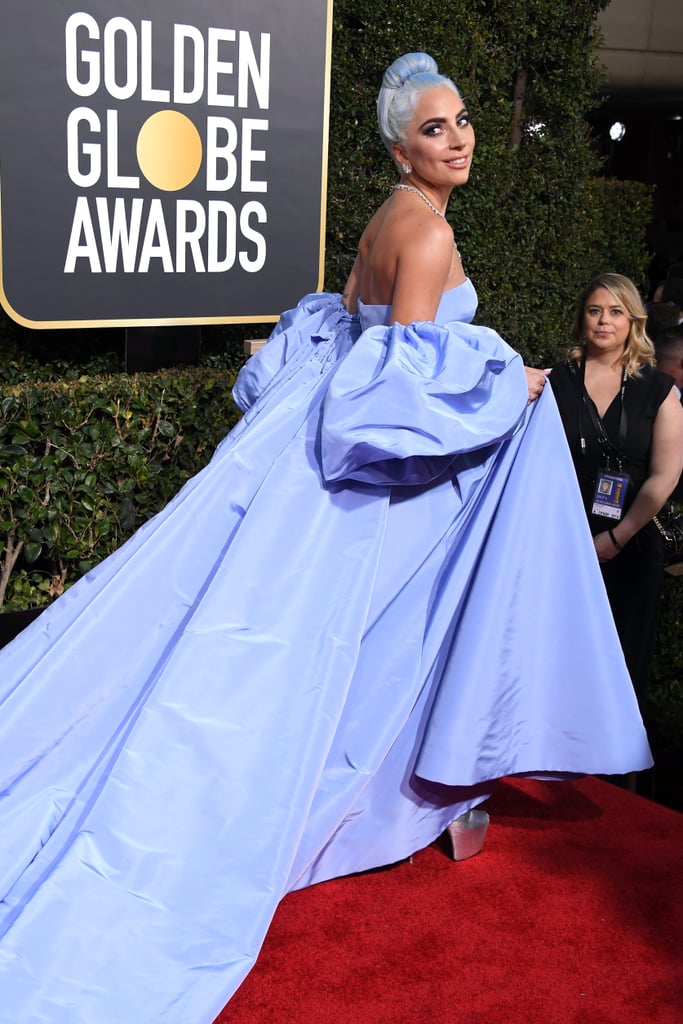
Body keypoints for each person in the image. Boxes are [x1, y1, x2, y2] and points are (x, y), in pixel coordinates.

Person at [0, 55, 652, 1024]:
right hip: (367, 481)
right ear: (401, 148)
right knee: (330, 650)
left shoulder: (388, 216)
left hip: (311, 462)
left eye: (464, 119)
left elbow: (347, 335)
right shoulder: (424, 233)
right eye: (435, 129)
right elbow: (396, 396)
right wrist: (498, 379)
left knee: (247, 639)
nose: (460, 137)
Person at [550, 273, 683, 709]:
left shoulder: (658, 390)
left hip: (632, 542)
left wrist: (617, 537)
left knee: (624, 664)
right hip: (563, 540)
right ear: (581, 319)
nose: (603, 321)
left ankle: (616, 773)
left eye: (615, 312)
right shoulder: (556, 382)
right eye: (594, 311)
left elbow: (665, 475)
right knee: (559, 657)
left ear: (633, 321)